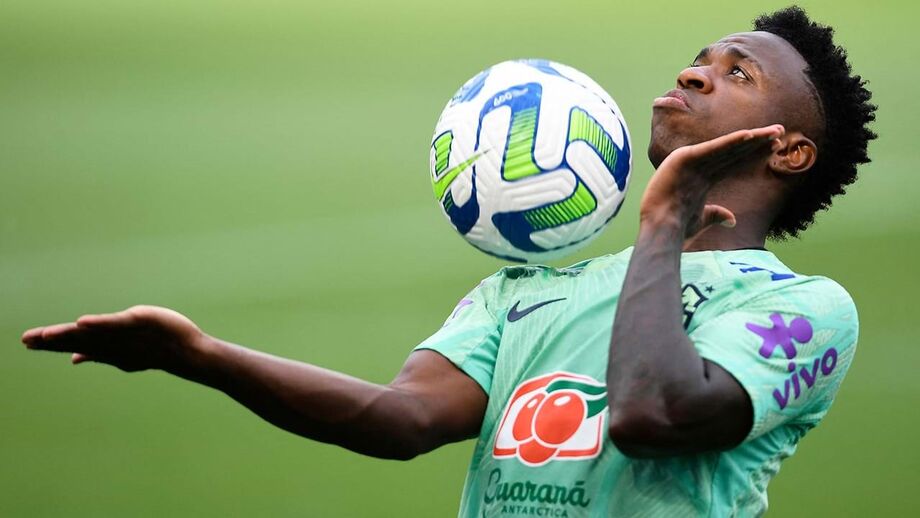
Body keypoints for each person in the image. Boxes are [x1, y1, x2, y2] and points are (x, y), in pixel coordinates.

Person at [21, 6, 875, 517]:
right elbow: (402, 420)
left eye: (736, 73)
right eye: (698, 58)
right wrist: (199, 356)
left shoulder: (804, 310)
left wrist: (662, 224)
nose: (692, 73)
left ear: (789, 151)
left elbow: (653, 415)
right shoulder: (529, 290)